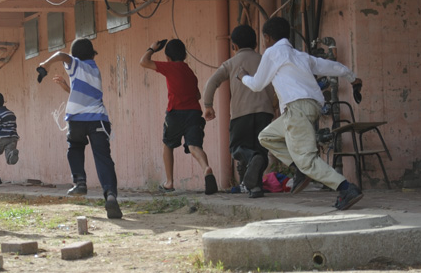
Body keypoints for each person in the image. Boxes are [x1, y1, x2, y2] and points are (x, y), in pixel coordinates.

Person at [239, 16, 364, 210]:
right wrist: (353, 78)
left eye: (265, 39)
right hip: (309, 108)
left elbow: (257, 85)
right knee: (267, 136)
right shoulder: (300, 56)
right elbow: (331, 66)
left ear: (267, 37)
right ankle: (299, 168)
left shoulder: (272, 53)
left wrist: (243, 77)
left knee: (308, 160)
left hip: (296, 109)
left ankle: (346, 188)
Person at [36, 38, 123, 219]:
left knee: (75, 147)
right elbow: (85, 94)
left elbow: (61, 55)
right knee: (103, 158)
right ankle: (111, 195)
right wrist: (67, 88)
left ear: (75, 55)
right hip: (98, 119)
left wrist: (46, 64)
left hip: (77, 120)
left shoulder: (75, 65)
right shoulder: (94, 69)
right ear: (93, 54)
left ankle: (80, 181)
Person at [202, 25, 276, 198]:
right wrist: (275, 104)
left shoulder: (231, 63)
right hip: (265, 112)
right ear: (256, 43)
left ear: (233, 46)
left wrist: (208, 105)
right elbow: (275, 84)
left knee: (237, 148)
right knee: (261, 149)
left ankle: (252, 160)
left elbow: (211, 83)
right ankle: (255, 188)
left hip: (241, 114)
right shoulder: (264, 60)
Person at [140, 39, 218, 195]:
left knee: (168, 144)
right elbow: (197, 94)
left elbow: (144, 62)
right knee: (195, 146)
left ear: (168, 57)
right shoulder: (190, 72)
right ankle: (206, 168)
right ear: (185, 55)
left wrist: (152, 48)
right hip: (194, 113)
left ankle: (169, 182)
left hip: (175, 112)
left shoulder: (169, 67)